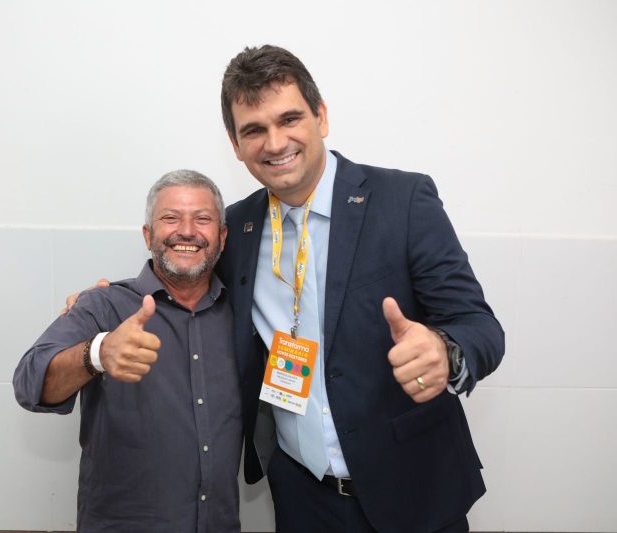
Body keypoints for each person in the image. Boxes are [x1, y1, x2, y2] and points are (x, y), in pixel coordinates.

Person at [214, 45, 505, 532]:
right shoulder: (237, 229)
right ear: (236, 144)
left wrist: (445, 352)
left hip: (413, 490)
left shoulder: (403, 201)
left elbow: (479, 325)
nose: (275, 142)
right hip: (302, 498)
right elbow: (184, 279)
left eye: (290, 119)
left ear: (321, 116)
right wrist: (102, 304)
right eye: (254, 130)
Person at [14, 170, 242, 533]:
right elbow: (30, 383)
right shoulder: (103, 306)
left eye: (202, 219)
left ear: (222, 236)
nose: (187, 231)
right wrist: (97, 353)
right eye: (170, 218)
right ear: (148, 235)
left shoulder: (242, 314)